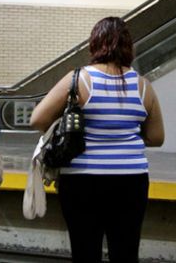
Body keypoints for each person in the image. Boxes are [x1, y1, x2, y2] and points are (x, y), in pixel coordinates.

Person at [29, 16, 165, 263]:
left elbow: (37, 119)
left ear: (95, 44)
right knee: (125, 253)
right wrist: (124, 134)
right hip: (131, 181)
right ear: (128, 47)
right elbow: (157, 137)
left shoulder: (79, 79)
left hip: (82, 181)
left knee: (85, 252)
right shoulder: (143, 86)